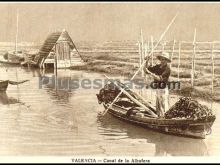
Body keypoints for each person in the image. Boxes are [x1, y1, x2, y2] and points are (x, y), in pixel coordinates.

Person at [143, 52, 171, 117]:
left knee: (163, 104)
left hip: (163, 89)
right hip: (158, 88)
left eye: (164, 59)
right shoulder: (157, 66)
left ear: (167, 61)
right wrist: (147, 61)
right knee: (158, 104)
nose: (162, 61)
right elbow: (146, 70)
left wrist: (152, 74)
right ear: (160, 59)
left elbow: (159, 79)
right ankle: (159, 117)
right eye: (161, 59)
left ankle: (164, 118)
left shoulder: (167, 69)